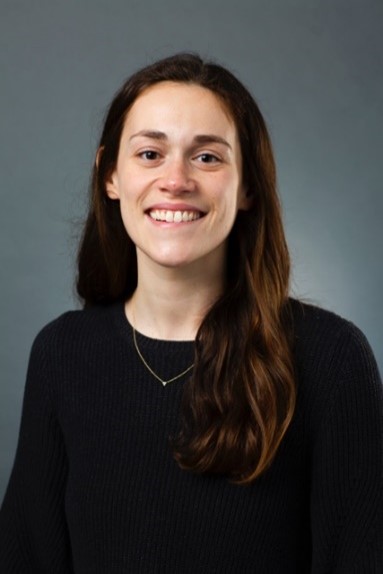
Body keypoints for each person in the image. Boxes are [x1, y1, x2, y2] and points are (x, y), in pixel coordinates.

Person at [0, 53, 382, 573]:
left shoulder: (330, 359)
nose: (175, 180)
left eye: (207, 157)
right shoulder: (62, 353)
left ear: (247, 186)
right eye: (151, 153)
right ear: (110, 175)